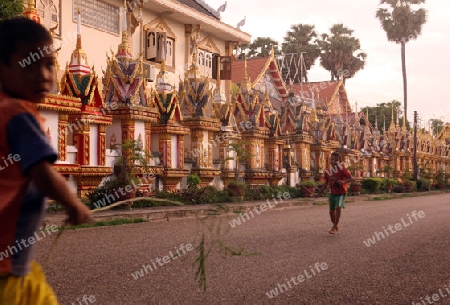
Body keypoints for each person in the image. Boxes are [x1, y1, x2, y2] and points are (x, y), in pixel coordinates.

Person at [0, 17, 91, 304]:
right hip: (7, 268)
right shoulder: (19, 116)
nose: (43, 73)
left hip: (19, 268)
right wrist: (73, 203)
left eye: (49, 64)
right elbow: (43, 174)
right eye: (29, 64)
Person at [317, 151, 354, 234]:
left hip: (341, 193)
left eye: (336, 160)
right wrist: (319, 193)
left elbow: (352, 178)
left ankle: (334, 227)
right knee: (331, 213)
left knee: (338, 208)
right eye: (332, 159)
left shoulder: (343, 170)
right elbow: (325, 184)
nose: (333, 162)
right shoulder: (328, 172)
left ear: (340, 161)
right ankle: (335, 225)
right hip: (332, 194)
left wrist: (344, 182)